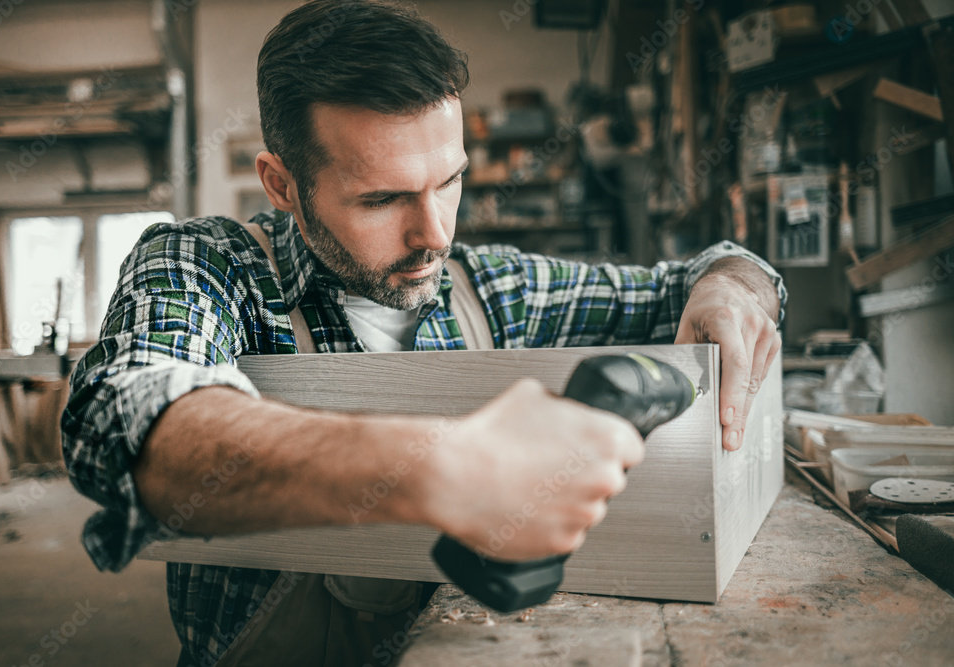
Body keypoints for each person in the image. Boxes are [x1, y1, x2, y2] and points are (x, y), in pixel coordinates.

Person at [61, 1, 786, 665]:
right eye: (382, 198)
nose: (435, 233)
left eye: (450, 180)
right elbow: (128, 421)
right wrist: (441, 467)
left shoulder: (493, 288)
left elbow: (696, 277)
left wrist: (734, 283)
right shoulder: (208, 265)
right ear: (282, 185)